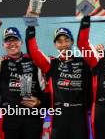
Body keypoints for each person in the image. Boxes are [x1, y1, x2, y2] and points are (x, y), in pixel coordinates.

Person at [25, 10, 92, 139]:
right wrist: (31, 24)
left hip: (79, 115)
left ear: (72, 42)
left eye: (66, 40)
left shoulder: (84, 63)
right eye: (59, 41)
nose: (63, 45)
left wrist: (86, 16)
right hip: (59, 116)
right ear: (55, 45)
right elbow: (33, 51)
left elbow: (84, 42)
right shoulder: (51, 64)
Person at [0, 20, 47, 139]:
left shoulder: (34, 63)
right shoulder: (1, 63)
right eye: (8, 41)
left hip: (32, 119)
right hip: (11, 119)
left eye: (15, 40)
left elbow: (44, 91)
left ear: (21, 42)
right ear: (3, 45)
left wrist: (39, 102)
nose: (12, 43)